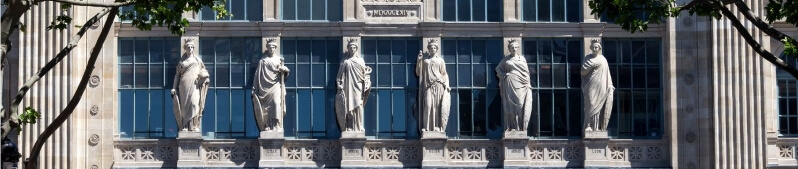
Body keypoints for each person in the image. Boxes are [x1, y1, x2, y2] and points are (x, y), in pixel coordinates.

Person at [171, 39, 210, 132]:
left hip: (195, 85)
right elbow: (177, 75)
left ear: (193, 48)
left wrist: (204, 77)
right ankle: (184, 126)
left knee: (194, 103)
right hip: (184, 84)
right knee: (184, 106)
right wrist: (173, 88)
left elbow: (204, 71)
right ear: (185, 48)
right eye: (188, 47)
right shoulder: (182, 62)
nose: (190, 48)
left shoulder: (197, 60)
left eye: (192, 47)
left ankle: (194, 126)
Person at [252, 39, 290, 132]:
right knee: (266, 108)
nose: (271, 49)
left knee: (276, 103)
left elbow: (285, 71)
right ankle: (268, 125)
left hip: (276, 85)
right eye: (269, 47)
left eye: (273, 47)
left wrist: (284, 70)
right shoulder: (263, 61)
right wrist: (255, 87)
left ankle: (276, 125)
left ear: (275, 48)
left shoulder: (279, 60)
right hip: (264, 87)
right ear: (267, 48)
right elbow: (257, 75)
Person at [496, 40, 533, 131]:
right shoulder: (506, 60)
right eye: (512, 47)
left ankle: (521, 127)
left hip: (522, 82)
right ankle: (513, 127)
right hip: (510, 82)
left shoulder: (522, 59)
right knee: (510, 105)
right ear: (509, 49)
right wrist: (504, 74)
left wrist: (528, 84)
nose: (514, 49)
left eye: (516, 47)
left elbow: (526, 72)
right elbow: (497, 68)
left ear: (518, 48)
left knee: (520, 104)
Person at [335, 39, 372, 132]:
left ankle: (359, 126)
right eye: (350, 47)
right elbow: (339, 76)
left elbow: (365, 74)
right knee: (349, 107)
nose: (352, 49)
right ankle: (350, 126)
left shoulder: (360, 60)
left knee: (359, 105)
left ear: (356, 49)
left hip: (358, 85)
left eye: (354, 47)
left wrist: (367, 78)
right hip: (348, 86)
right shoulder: (345, 61)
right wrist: (339, 84)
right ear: (348, 48)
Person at [416, 39, 451, 132]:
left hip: (439, 84)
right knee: (428, 105)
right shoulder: (425, 61)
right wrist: (419, 61)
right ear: (428, 49)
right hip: (428, 86)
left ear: (437, 49)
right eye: (431, 47)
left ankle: (437, 127)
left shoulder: (440, 61)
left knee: (437, 106)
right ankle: (426, 127)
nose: (433, 49)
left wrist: (446, 85)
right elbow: (419, 72)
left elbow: (444, 74)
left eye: (434, 47)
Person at [582, 39, 615, 132]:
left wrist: (610, 85)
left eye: (597, 47)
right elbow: (583, 72)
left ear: (599, 48)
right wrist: (592, 65)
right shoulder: (587, 58)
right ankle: (588, 125)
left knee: (599, 105)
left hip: (601, 84)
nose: (595, 48)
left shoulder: (603, 59)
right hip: (590, 84)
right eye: (593, 47)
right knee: (591, 104)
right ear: (591, 48)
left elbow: (607, 73)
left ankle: (596, 127)